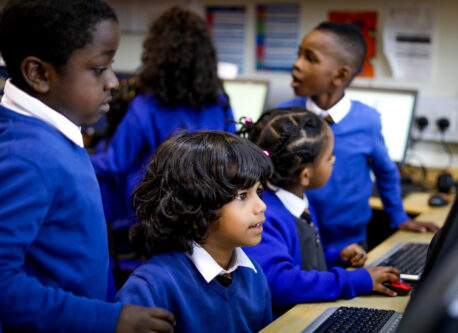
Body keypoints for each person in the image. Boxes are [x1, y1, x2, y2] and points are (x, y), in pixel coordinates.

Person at [0, 1, 175, 332]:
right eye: (99, 68)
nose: (113, 81)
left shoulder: (53, 132)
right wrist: (108, 319)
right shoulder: (25, 157)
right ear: (38, 74)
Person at [277, 22, 439, 251]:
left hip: (350, 243)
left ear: (340, 75)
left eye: (310, 58)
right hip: (296, 239)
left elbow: (385, 171)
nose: (297, 64)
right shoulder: (283, 116)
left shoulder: (367, 120)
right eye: (299, 55)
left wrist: (399, 217)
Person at [242, 108, 401, 315]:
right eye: (329, 157)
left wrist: (335, 257)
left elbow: (298, 260)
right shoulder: (264, 215)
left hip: (306, 310)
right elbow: (281, 283)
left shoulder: (297, 200)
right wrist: (354, 279)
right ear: (305, 175)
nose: (333, 160)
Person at [90, 6, 236, 229]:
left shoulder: (146, 105)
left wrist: (75, 156)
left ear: (158, 54)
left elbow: (115, 163)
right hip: (210, 211)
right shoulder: (219, 102)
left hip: (160, 217)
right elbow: (232, 157)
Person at [115, 131, 274, 333]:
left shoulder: (253, 276)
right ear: (193, 207)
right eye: (242, 196)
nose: (261, 206)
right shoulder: (151, 288)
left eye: (258, 192)